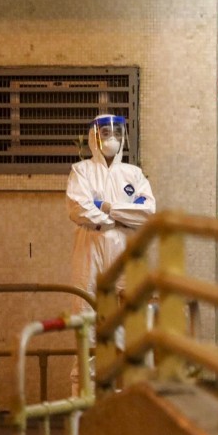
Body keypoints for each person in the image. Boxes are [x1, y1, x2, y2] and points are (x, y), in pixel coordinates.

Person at [66, 114, 156, 394]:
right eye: (105, 132)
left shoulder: (134, 174)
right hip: (89, 252)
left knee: (132, 324)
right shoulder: (81, 171)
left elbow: (147, 212)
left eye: (117, 131)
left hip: (125, 254)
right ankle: (82, 406)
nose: (111, 138)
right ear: (95, 136)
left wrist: (105, 206)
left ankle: (130, 404)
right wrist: (118, 217)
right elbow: (77, 209)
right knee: (86, 322)